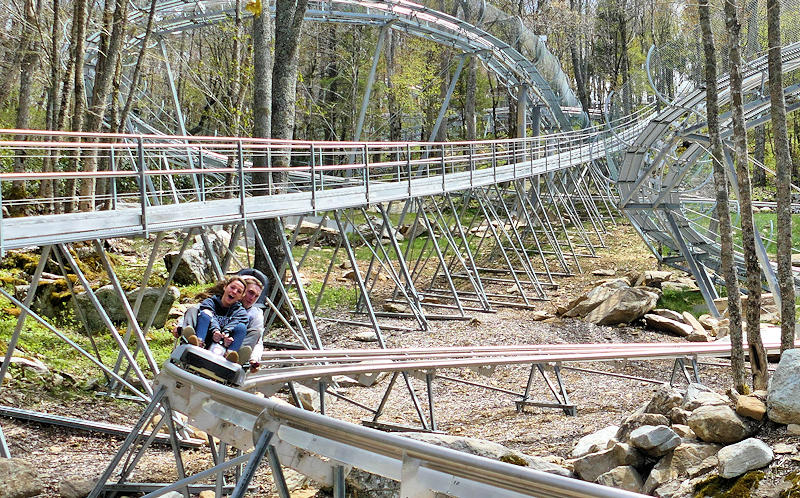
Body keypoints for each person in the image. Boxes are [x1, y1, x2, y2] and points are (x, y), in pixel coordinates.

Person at [178, 276, 250, 363]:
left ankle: (231, 355)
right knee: (204, 314)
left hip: (224, 345)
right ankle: (197, 342)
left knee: (242, 327)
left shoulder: (241, 312)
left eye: (239, 291)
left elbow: (236, 323)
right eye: (232, 287)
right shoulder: (210, 302)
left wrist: (226, 334)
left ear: (241, 297)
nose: (234, 292)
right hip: (206, 337)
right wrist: (215, 330)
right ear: (225, 287)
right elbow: (209, 314)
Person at [239, 275, 265, 369]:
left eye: (256, 296)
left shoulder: (256, 314)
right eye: (250, 293)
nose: (252, 298)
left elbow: (258, 341)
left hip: (239, 345)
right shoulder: (229, 301)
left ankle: (238, 358)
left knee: (256, 332)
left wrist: (254, 358)